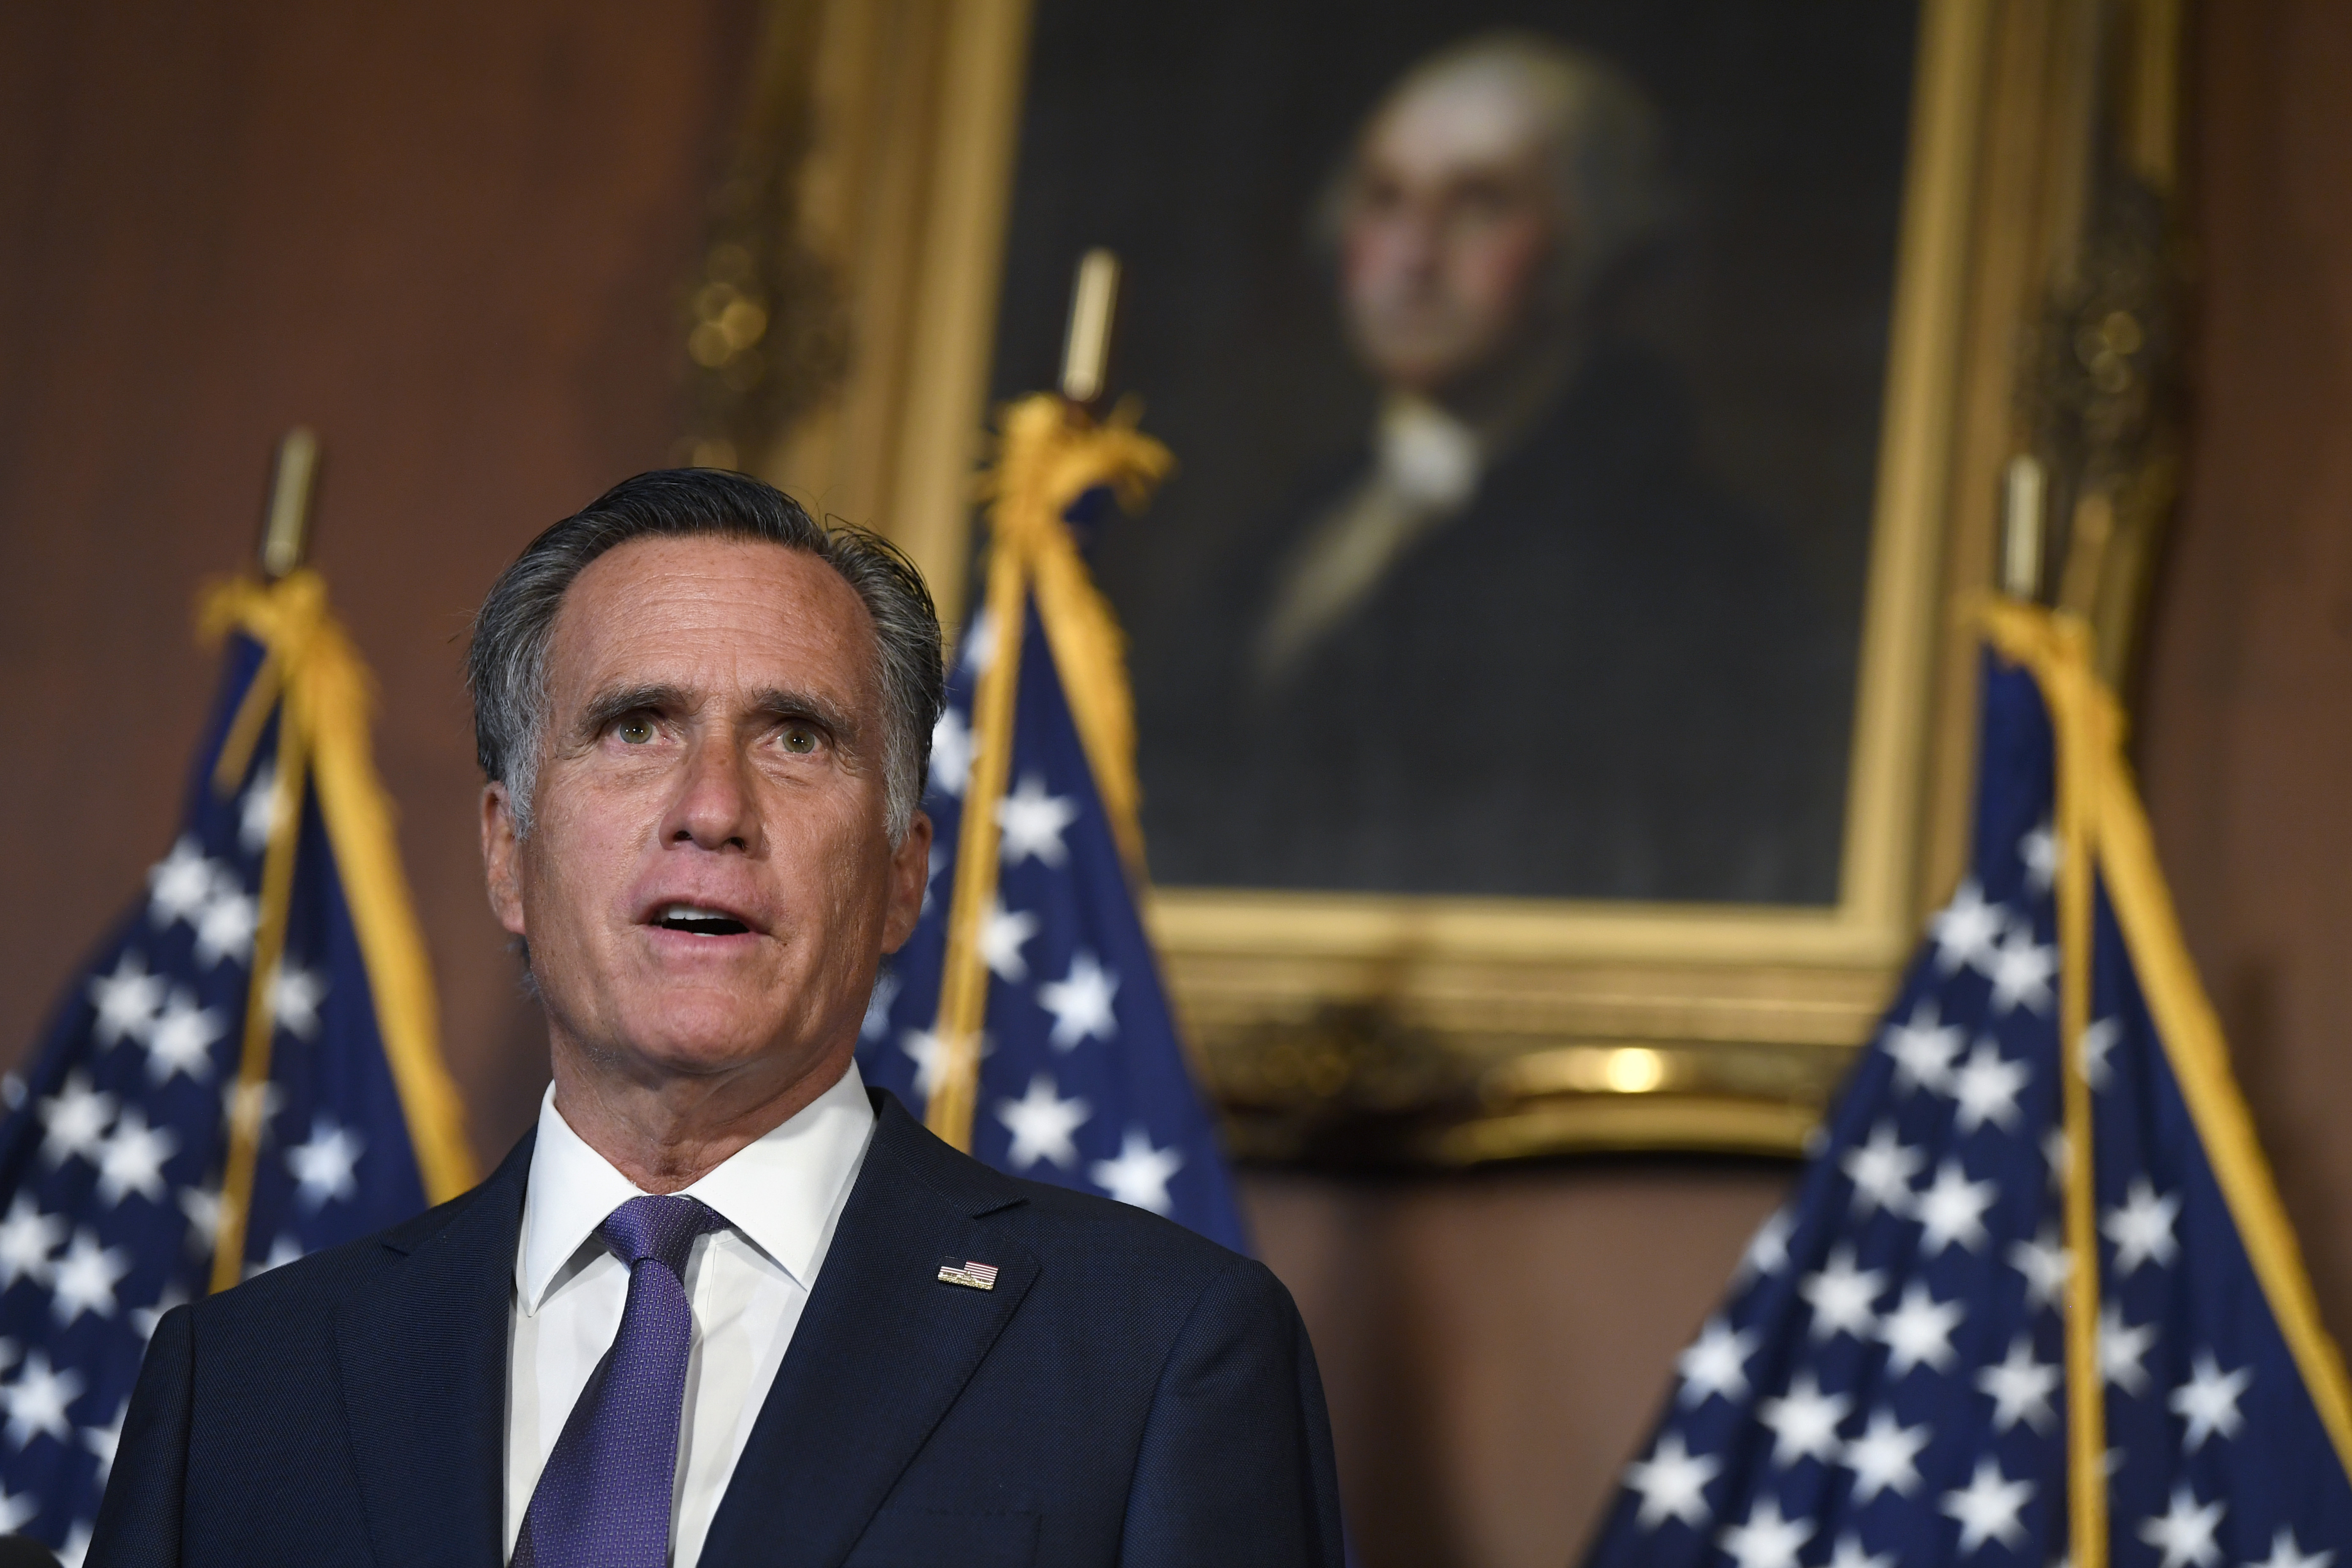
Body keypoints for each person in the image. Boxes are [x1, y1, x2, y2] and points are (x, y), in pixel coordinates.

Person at [90, 471, 1344, 1566]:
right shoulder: (240, 1388)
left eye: (797, 738)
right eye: (636, 728)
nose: (712, 808)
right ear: (507, 854)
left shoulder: (1159, 1357)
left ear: (905, 872)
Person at [1141, 33, 1849, 904]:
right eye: (1384, 199)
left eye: (1479, 204)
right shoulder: (1288, 539)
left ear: (1591, 238)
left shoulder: (1690, 570)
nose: (1413, 254)